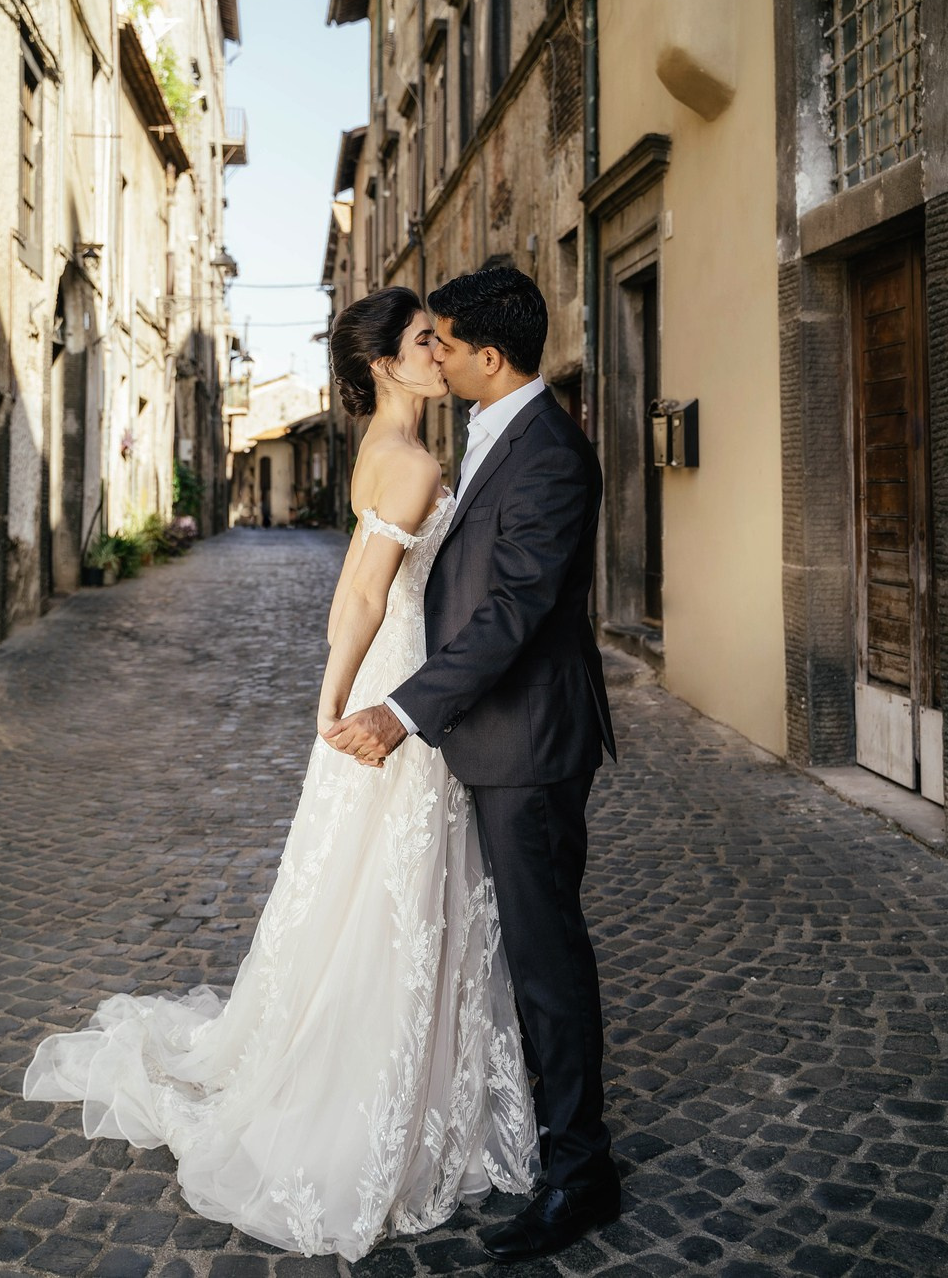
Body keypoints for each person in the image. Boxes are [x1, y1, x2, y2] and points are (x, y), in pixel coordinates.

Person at [23, 286, 537, 1262]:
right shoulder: (417, 463)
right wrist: (337, 697)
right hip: (404, 689)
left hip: (395, 677)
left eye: (440, 338)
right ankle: (383, 1086)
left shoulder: (381, 455)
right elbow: (364, 590)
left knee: (373, 879)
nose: (443, 350)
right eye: (426, 340)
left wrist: (333, 688)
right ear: (385, 363)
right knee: (399, 886)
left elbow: (356, 588)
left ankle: (403, 1068)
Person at [325, 267, 620, 1263]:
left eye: (443, 341)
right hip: (484, 729)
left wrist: (403, 709)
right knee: (501, 944)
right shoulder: (492, 433)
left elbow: (515, 613)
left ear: (488, 357)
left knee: (544, 957)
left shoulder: (550, 456)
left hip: (527, 741)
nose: (432, 353)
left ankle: (582, 1170)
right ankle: (512, 1116)